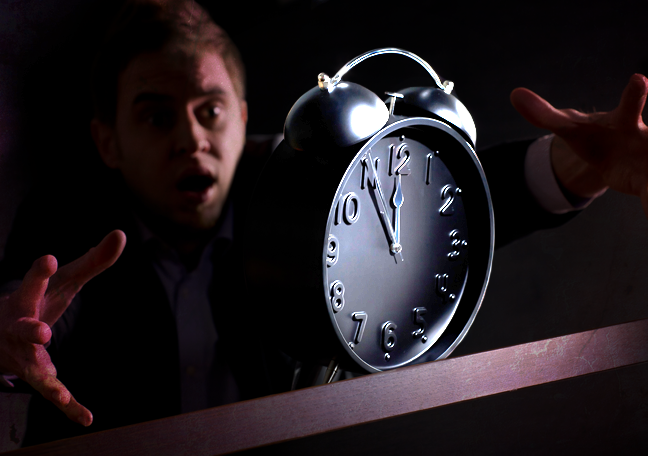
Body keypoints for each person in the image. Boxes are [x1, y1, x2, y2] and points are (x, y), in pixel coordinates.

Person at [0, 0, 647, 447]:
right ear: (107, 141)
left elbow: (441, 208)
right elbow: (36, 315)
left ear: (243, 115)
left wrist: (571, 167)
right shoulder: (65, 219)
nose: (191, 139)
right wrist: (9, 346)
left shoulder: (292, 178)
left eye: (210, 110)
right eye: (155, 115)